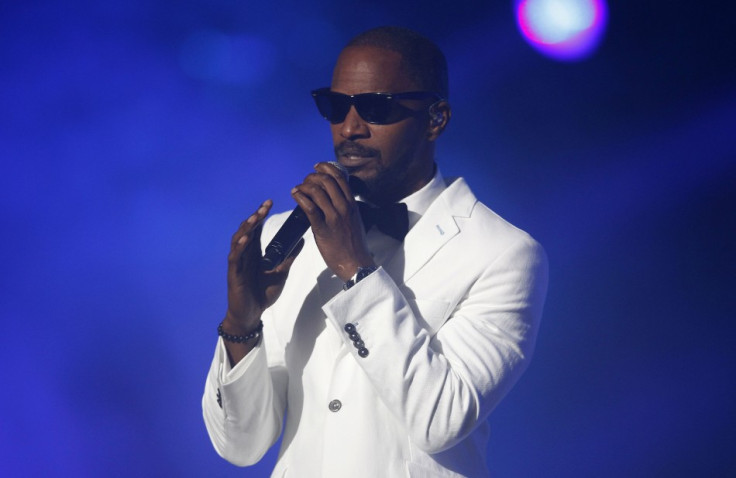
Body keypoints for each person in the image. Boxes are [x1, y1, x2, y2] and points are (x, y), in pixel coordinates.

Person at [202, 26, 548, 477]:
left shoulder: (503, 254)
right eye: (334, 106)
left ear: (435, 119)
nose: (349, 128)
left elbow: (440, 419)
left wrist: (355, 269)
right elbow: (240, 446)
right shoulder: (286, 239)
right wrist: (241, 325)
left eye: (375, 108)